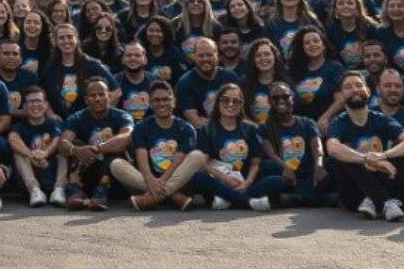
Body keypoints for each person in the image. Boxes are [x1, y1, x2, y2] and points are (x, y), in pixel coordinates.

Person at [322, 70, 404, 220]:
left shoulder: (381, 119)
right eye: (348, 87)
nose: (355, 89)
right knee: (336, 159)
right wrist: (366, 158)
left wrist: (383, 155)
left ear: (368, 91)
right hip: (356, 194)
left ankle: (373, 200)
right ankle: (385, 201)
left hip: (383, 180)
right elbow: (332, 148)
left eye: (358, 85)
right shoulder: (338, 122)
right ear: (341, 95)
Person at [193, 80, 286, 211]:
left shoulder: (250, 129)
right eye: (225, 100)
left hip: (243, 180)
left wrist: (247, 183)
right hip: (219, 182)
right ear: (218, 103)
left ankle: (230, 200)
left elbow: (255, 164)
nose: (230, 104)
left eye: (236, 101)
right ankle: (248, 201)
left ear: (241, 104)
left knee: (277, 177)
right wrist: (226, 179)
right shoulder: (207, 129)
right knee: (198, 177)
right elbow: (204, 164)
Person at [111, 77, 203, 210]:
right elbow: (141, 157)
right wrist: (150, 180)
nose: (162, 104)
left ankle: (153, 199)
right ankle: (173, 197)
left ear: (174, 102)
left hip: (179, 180)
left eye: (166, 99)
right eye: (156, 100)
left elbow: (178, 161)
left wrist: (161, 181)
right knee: (116, 164)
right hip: (149, 180)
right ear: (150, 103)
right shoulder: (141, 127)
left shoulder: (186, 128)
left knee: (198, 156)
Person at [59, 75, 134, 211]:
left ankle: (102, 189)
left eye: (101, 94)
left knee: (116, 147)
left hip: (113, 179)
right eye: (93, 96)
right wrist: (76, 150)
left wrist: (98, 148)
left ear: (109, 96)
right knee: (75, 143)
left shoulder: (123, 116)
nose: (98, 99)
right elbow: (63, 143)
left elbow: (126, 137)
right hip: (87, 172)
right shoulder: (76, 117)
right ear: (86, 99)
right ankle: (76, 188)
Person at [3, 83, 67, 206]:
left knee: (63, 148)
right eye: (31, 102)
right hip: (29, 175)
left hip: (51, 171)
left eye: (38, 101)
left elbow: (57, 139)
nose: (35, 105)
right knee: (18, 153)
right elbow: (12, 139)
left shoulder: (53, 124)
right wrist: (32, 155)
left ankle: (59, 190)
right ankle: (34, 190)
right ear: (24, 107)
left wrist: (45, 153)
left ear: (46, 104)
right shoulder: (19, 126)